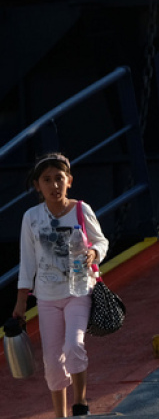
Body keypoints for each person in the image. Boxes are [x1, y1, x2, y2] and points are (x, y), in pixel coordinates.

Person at [13, 154, 109, 418]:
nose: (54, 185)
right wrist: (21, 302)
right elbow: (28, 263)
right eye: (47, 180)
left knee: (73, 346)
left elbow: (101, 241)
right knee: (53, 363)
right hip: (46, 298)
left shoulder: (81, 209)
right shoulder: (31, 218)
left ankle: (80, 404)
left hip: (79, 291)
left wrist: (94, 254)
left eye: (59, 178)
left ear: (69, 181)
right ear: (37, 185)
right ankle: (60, 415)